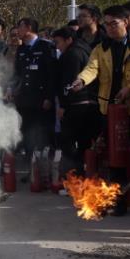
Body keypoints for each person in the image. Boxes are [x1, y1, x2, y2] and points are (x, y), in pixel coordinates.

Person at [70, 5, 130, 216]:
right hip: (109, 111)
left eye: (114, 23)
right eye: (107, 24)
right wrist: (81, 80)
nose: (110, 28)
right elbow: (91, 68)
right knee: (114, 157)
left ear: (126, 23)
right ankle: (118, 201)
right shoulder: (101, 48)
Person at [52, 26, 99, 180]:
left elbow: (70, 82)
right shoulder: (86, 50)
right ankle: (83, 176)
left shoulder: (71, 55)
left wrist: (63, 105)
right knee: (84, 142)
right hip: (89, 103)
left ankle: (74, 176)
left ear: (68, 40)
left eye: (58, 42)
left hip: (76, 104)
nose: (57, 47)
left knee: (68, 141)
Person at [11, 18, 57, 165]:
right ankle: (29, 165)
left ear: (29, 28)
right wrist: (11, 89)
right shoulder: (21, 49)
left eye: (20, 27)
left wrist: (49, 97)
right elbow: (17, 73)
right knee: (26, 131)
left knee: (42, 133)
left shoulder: (46, 46)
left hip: (41, 100)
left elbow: (52, 75)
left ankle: (43, 166)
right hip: (24, 100)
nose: (17, 31)